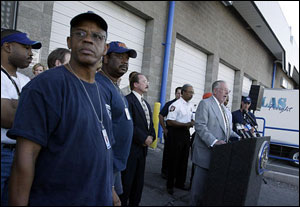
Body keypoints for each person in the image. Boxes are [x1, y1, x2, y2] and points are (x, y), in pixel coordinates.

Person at [7, 11, 115, 206]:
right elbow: (25, 157)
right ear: (69, 41)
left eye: (97, 36)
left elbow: (104, 147)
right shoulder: (45, 86)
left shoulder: (102, 90)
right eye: (80, 34)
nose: (88, 40)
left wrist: (111, 190)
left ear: (105, 48)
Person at [1, 29, 41, 206]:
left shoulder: (26, 80)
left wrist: (15, 105)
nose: (30, 53)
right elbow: (7, 117)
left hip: (22, 154)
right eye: (25, 47)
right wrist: (29, 109)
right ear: (8, 47)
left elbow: (41, 117)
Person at [95, 41, 137, 204]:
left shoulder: (114, 86)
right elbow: (100, 133)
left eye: (127, 58)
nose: (124, 61)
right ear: (105, 58)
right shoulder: (100, 85)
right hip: (105, 165)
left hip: (115, 164)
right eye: (119, 56)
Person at [191, 80, 240, 206]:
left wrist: (240, 138)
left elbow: (228, 130)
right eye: (224, 90)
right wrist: (214, 141)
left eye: (228, 91)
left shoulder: (225, 109)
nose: (227, 93)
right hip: (205, 153)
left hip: (220, 155)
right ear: (215, 91)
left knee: (210, 189)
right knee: (198, 190)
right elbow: (200, 126)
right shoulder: (205, 104)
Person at [120, 73, 156, 206]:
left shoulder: (145, 103)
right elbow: (129, 124)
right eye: (144, 81)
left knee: (138, 183)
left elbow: (149, 123)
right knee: (127, 182)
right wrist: (143, 138)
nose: (147, 83)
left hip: (143, 151)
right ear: (135, 84)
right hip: (131, 150)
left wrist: (152, 136)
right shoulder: (128, 100)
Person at [166, 84, 195, 195]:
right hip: (176, 133)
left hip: (186, 133)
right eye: (189, 92)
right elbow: (169, 121)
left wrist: (191, 123)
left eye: (192, 92)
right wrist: (185, 124)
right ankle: (170, 185)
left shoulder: (190, 105)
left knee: (184, 159)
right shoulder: (175, 105)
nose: (191, 94)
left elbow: (191, 118)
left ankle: (180, 183)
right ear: (183, 92)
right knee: (174, 159)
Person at [159, 87, 182, 179]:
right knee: (168, 153)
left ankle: (175, 172)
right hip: (170, 132)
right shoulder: (170, 104)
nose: (179, 95)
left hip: (180, 133)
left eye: (181, 93)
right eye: (178, 93)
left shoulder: (185, 105)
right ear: (175, 94)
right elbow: (161, 115)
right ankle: (165, 171)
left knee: (178, 154)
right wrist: (164, 129)